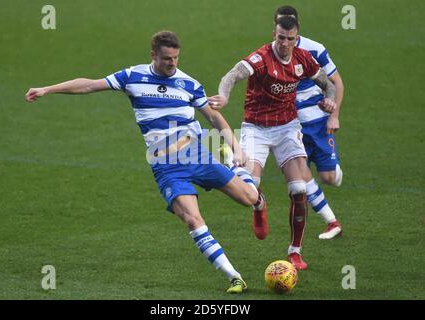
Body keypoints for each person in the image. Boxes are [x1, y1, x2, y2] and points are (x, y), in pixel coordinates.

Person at [25, 30, 266, 293]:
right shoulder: (132, 77)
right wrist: (47, 89)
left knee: (249, 198)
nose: (172, 63)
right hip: (166, 166)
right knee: (193, 221)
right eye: (166, 59)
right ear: (153, 55)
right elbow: (89, 85)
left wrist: (236, 148)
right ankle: (234, 276)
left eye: (175, 58)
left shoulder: (190, 84)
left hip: (198, 154)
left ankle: (233, 166)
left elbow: (214, 118)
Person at [208, 16, 337, 270]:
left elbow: (328, 84)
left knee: (299, 189)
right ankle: (259, 203)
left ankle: (295, 252)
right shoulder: (261, 58)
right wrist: (223, 96)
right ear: (274, 34)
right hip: (256, 128)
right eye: (281, 38)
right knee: (249, 188)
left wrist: (330, 100)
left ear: (296, 38)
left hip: (288, 128)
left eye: (290, 39)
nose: (285, 44)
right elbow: (233, 75)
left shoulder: (303, 59)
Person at [275, 6, 344, 240]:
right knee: (301, 177)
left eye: (290, 32)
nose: (285, 38)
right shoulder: (270, 54)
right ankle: (332, 222)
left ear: (297, 28)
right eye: (280, 33)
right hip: (291, 125)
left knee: (329, 178)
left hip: (318, 122)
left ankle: (332, 168)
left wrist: (334, 114)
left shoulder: (315, 49)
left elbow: (336, 82)